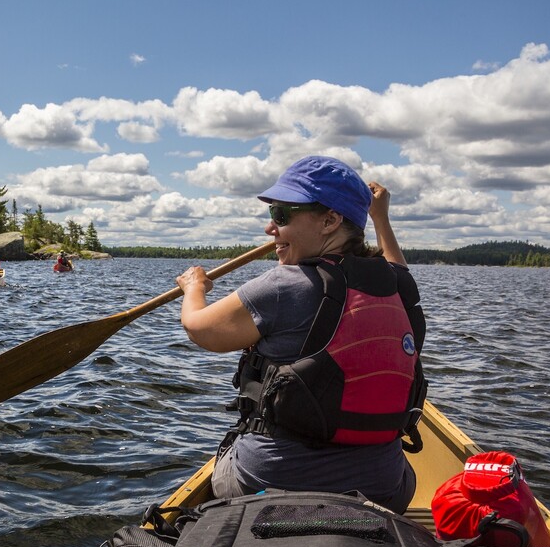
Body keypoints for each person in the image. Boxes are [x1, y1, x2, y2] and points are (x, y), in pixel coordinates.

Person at [175, 156, 426, 513]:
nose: (269, 228)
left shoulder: (284, 284)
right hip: (383, 489)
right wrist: (380, 217)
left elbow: (200, 328)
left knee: (229, 459)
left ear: (330, 220)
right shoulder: (397, 285)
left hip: (271, 483)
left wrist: (193, 287)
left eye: (281, 215)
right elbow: (396, 264)